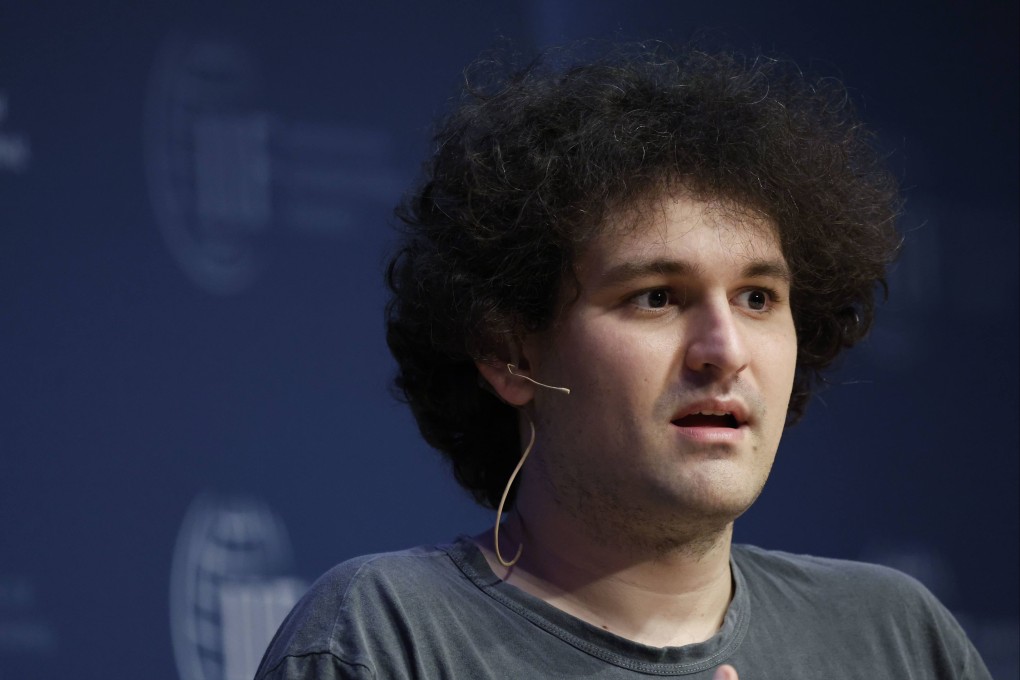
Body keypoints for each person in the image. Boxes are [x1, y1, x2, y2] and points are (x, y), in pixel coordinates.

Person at [255, 42, 990, 679]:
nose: (725, 350)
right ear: (508, 353)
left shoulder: (896, 638)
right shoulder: (381, 639)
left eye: (758, 298)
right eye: (656, 298)